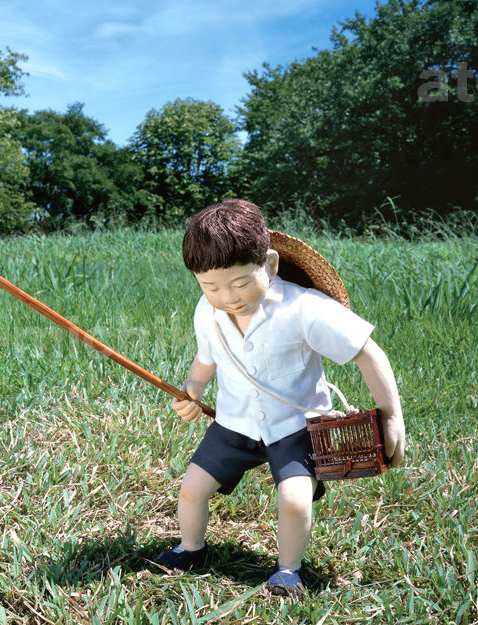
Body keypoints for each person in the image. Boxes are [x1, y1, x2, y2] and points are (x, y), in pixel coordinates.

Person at [157, 199, 406, 596]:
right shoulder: (207, 311)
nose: (228, 296)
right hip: (234, 424)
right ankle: (191, 548)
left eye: (240, 283)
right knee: (192, 487)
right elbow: (206, 358)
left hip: (294, 429)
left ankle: (288, 569)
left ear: (270, 265)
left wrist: (391, 416)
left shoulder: (304, 308)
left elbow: (368, 352)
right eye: (211, 286)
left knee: (293, 500)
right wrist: (192, 390)